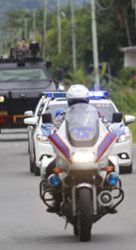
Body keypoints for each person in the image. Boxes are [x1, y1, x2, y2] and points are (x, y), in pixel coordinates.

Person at [46, 84, 90, 212]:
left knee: (110, 166)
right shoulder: (62, 116)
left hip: (91, 151)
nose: (79, 105)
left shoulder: (96, 116)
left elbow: (105, 128)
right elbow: (54, 131)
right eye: (76, 102)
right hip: (70, 153)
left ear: (87, 101)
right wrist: (52, 135)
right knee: (50, 167)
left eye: (81, 102)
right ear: (69, 102)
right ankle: (56, 198)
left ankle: (107, 193)